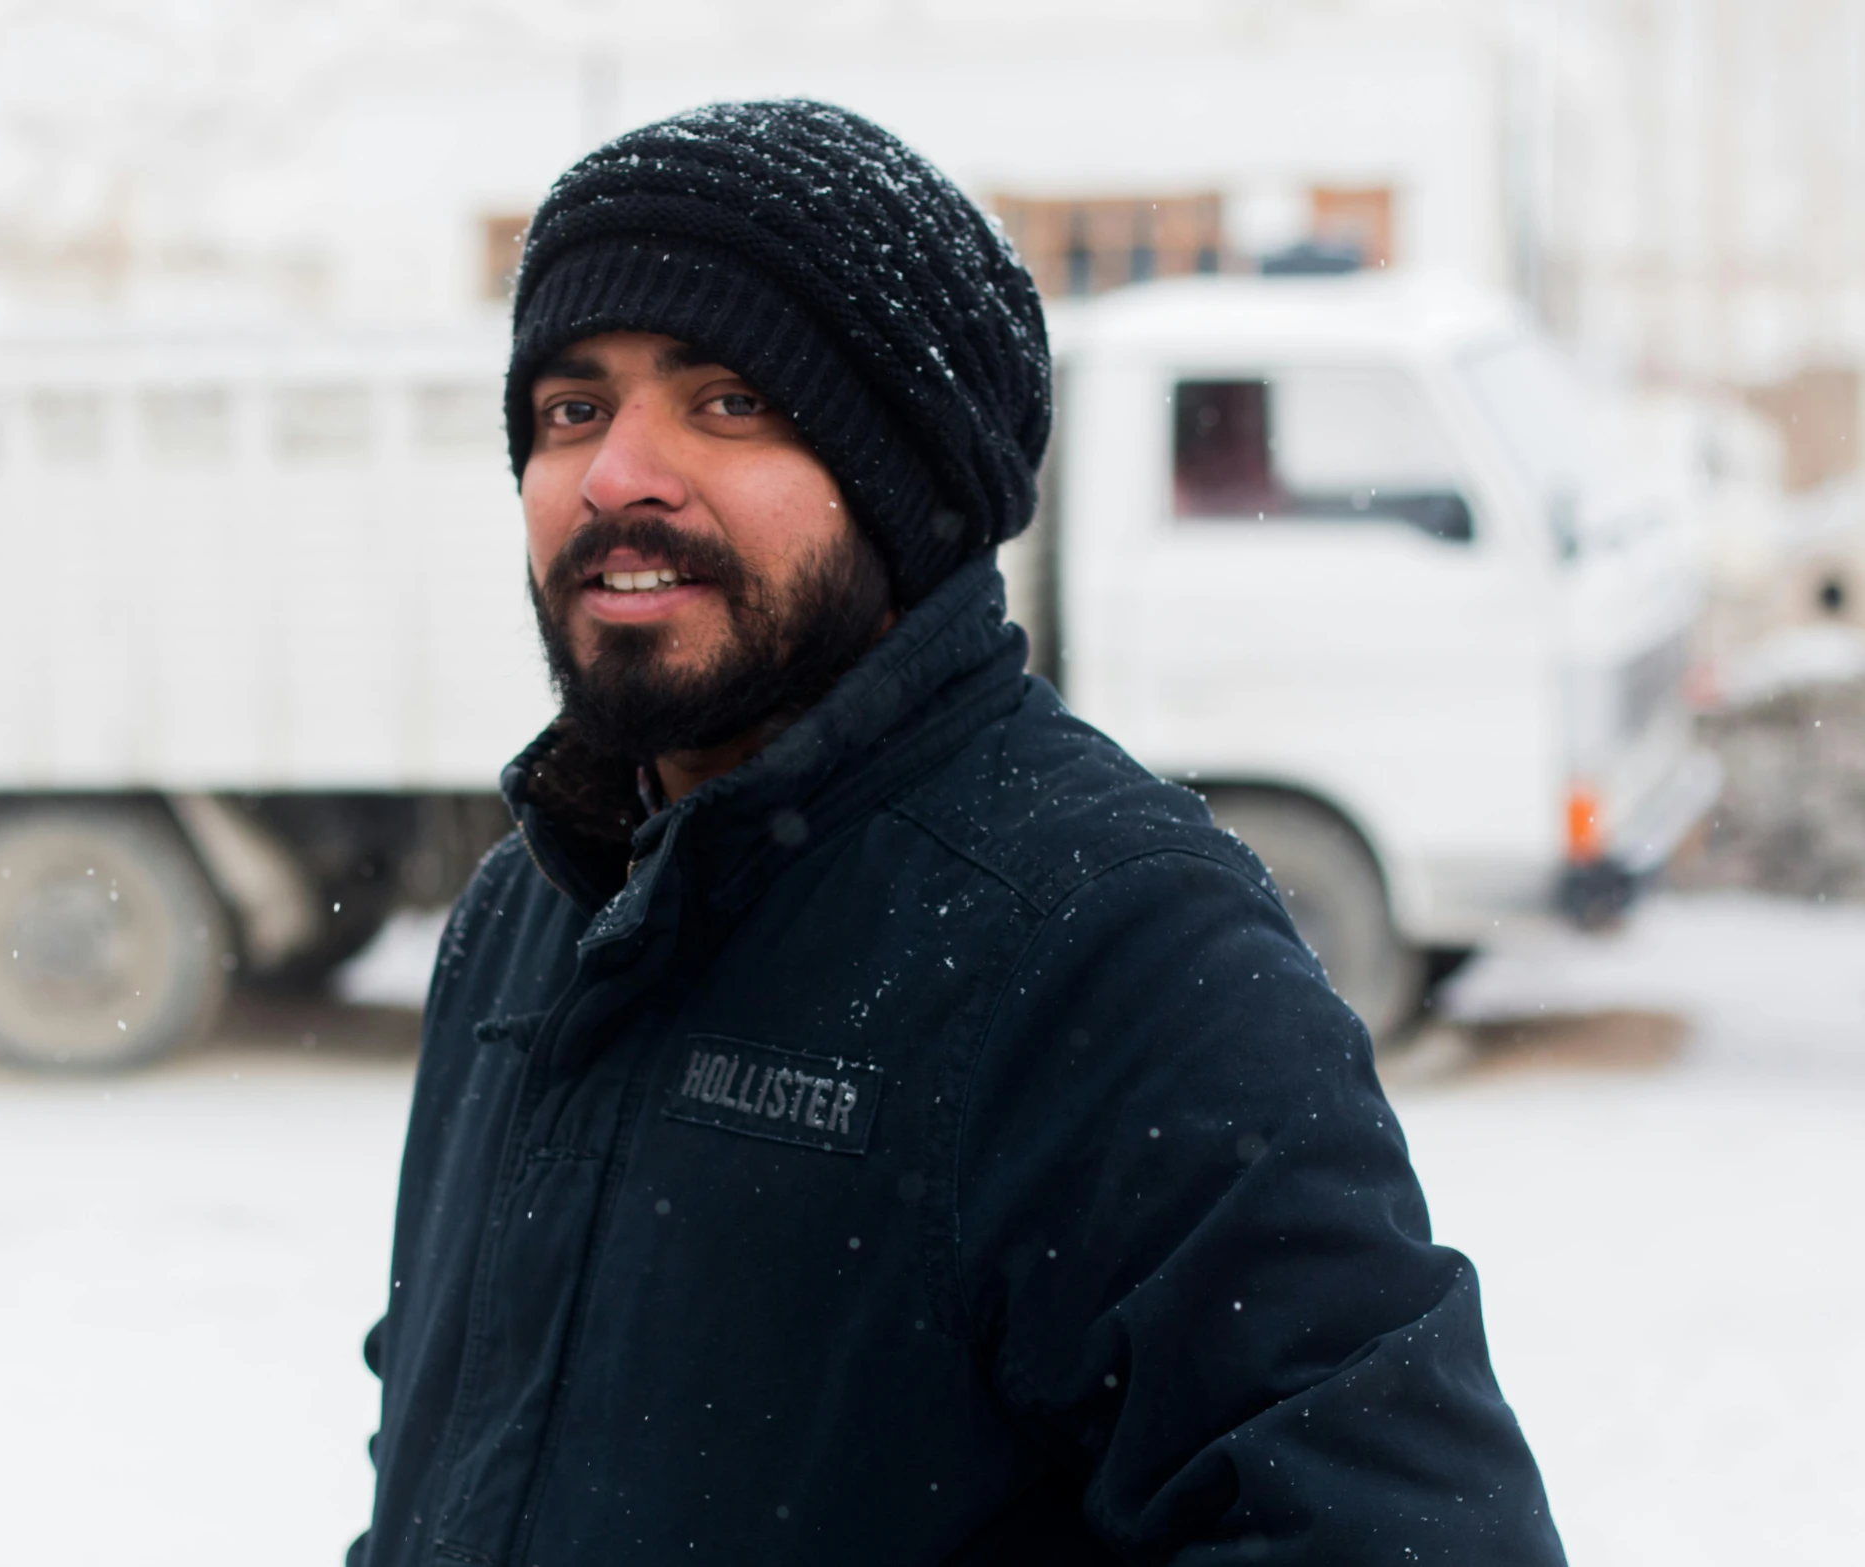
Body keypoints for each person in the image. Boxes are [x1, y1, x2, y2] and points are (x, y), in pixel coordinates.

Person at [350, 100, 1563, 1566]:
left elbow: (1402, 1539)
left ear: (904, 486)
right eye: (571, 408)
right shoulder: (527, 913)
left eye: (727, 399)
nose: (617, 475)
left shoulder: (1112, 942)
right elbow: (455, 1462)